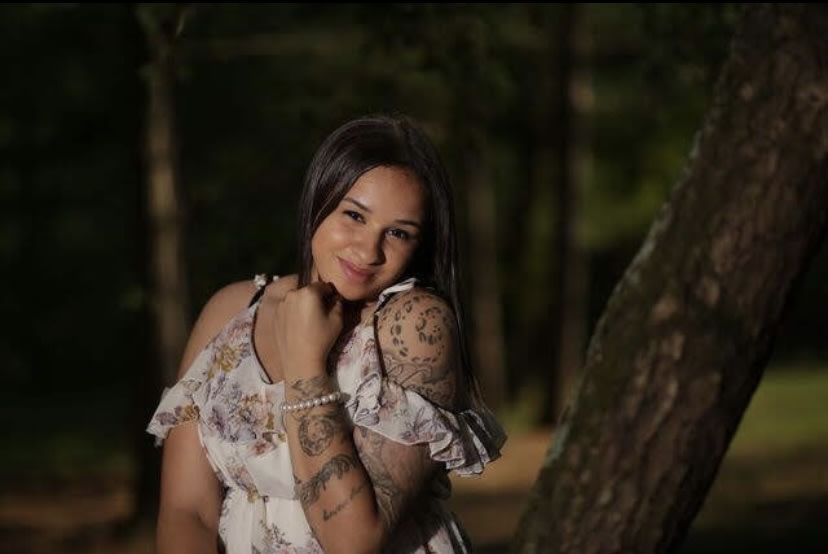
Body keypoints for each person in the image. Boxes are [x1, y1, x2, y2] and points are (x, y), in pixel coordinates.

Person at [146, 112, 507, 554]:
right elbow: (186, 511)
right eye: (354, 215)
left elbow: (353, 542)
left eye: (398, 233)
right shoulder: (231, 310)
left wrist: (305, 362)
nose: (368, 250)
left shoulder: (414, 327)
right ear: (319, 198)